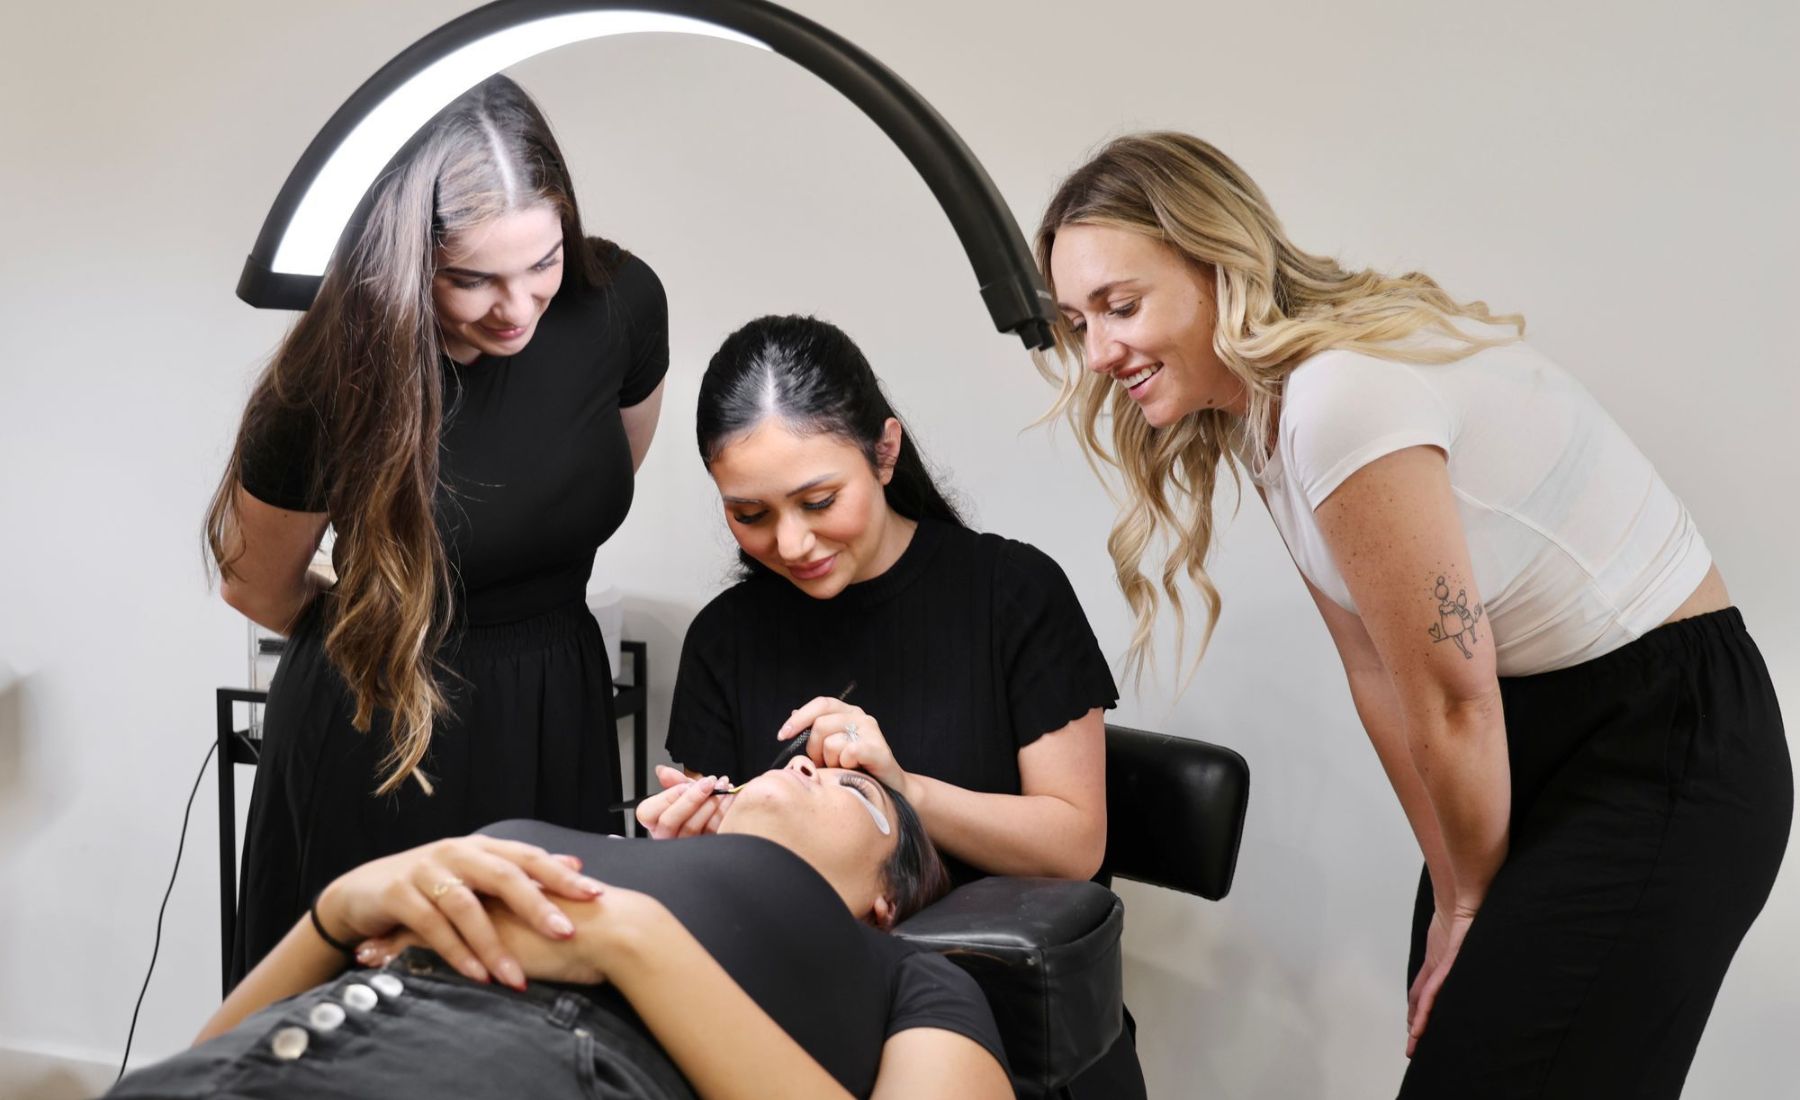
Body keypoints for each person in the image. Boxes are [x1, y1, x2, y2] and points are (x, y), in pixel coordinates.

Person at [1036, 131, 1791, 1097]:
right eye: (1076, 321)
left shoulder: (1338, 397)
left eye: (1121, 307)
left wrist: (1470, 898)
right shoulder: (1262, 413)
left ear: (1216, 262)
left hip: (1667, 741)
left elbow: (1450, 696)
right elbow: (1377, 674)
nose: (1099, 353)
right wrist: (1454, 887)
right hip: (1534, 739)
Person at [203, 74, 670, 986]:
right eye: (472, 278)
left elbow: (590, 482)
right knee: (384, 1025)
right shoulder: (330, 374)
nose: (519, 307)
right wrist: (388, 619)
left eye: (542, 263)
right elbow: (256, 583)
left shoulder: (621, 305)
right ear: (408, 256)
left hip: (555, 700)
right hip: (386, 722)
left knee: (548, 1021)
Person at [654, 314, 1143, 1096]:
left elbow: (1075, 845)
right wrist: (691, 845)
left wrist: (905, 790)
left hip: (1014, 1039)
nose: (791, 543)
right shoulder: (726, 638)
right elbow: (732, 888)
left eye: (818, 500)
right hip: (807, 1037)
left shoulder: (1011, 595)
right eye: (750, 515)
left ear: (885, 452)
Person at [108, 757, 1011, 1100]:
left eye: (854, 790)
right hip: (265, 1058)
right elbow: (208, 1049)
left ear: (884, 900)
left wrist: (631, 941)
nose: (811, 765)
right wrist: (339, 905)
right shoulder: (584, 847)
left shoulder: (907, 977)